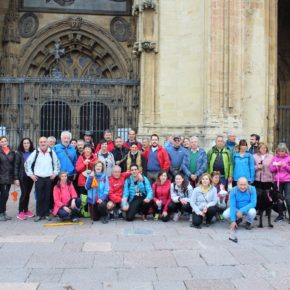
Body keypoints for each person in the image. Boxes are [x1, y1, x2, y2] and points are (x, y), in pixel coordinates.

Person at [25, 136, 60, 222]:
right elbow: (27, 164)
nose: (43, 143)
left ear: (47, 143)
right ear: (39, 143)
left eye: (44, 141)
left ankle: (46, 214)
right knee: (39, 197)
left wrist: (55, 173)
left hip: (48, 178)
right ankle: (39, 214)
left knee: (47, 196)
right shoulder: (35, 152)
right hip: (38, 178)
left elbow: (57, 163)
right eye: (41, 142)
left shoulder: (51, 152)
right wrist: (31, 175)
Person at [14, 138, 35, 220]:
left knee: (28, 193)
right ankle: (20, 211)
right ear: (22, 144)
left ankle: (26, 210)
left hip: (30, 177)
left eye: (28, 143)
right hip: (22, 176)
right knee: (24, 193)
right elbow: (16, 166)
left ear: (30, 144)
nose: (26, 144)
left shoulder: (33, 152)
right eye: (24, 143)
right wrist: (16, 178)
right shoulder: (19, 153)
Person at [269, 143, 290, 223]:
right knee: (279, 199)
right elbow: (271, 170)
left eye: (283, 151)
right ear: (277, 151)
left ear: (285, 151)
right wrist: (276, 166)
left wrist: (285, 166)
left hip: (288, 181)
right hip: (277, 181)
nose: (281, 153)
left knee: (288, 198)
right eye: (279, 151)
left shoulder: (289, 158)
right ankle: (280, 215)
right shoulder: (275, 158)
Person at [0, 136, 16, 221]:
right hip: (2, 178)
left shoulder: (12, 152)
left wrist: (15, 177)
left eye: (5, 141)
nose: (4, 143)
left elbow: (14, 165)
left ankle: (3, 212)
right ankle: (1, 213)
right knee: (4, 195)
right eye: (2, 141)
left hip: (9, 177)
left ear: (7, 142)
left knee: (5, 196)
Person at [253, 142, 273, 211]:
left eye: (265, 148)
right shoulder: (254, 156)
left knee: (267, 196)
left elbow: (273, 167)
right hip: (258, 179)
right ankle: (258, 209)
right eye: (262, 148)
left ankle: (267, 210)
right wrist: (257, 167)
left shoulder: (271, 156)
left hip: (268, 179)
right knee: (258, 195)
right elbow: (251, 167)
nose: (263, 149)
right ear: (259, 149)